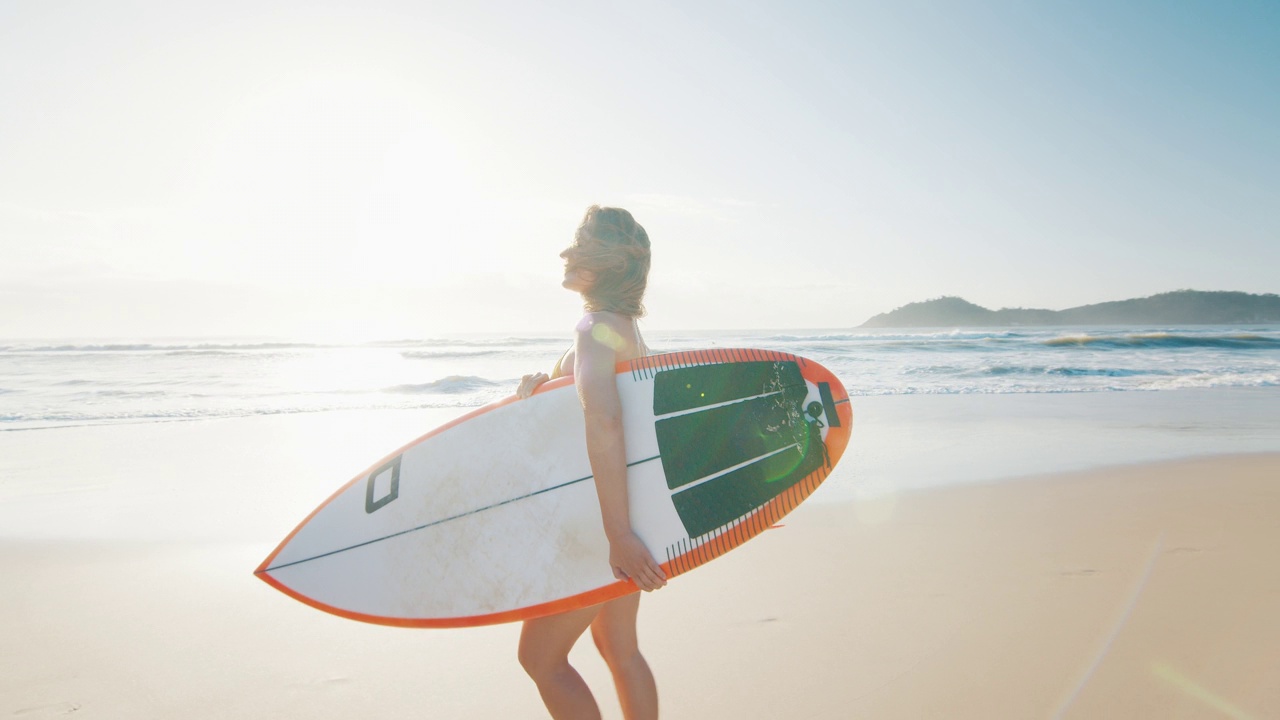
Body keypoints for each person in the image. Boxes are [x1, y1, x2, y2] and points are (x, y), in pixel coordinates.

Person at [514, 205, 666, 720]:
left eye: (577, 244)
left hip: (600, 523)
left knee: (539, 659)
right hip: (624, 513)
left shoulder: (594, 326)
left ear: (601, 263)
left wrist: (617, 535)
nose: (565, 253)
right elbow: (604, 412)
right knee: (620, 650)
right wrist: (545, 391)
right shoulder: (623, 328)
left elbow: (605, 421)